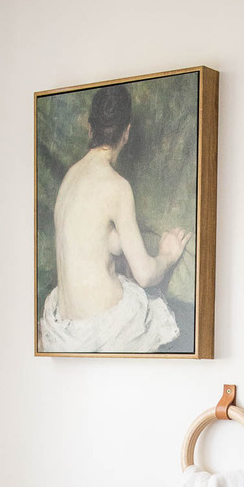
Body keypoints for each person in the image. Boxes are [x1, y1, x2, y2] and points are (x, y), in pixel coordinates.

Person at [40, 84, 191, 354]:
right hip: (102, 327)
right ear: (127, 133)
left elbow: (90, 238)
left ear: (90, 128)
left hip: (63, 327)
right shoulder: (117, 186)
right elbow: (145, 276)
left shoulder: (70, 178)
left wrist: (116, 240)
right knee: (156, 311)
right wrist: (167, 256)